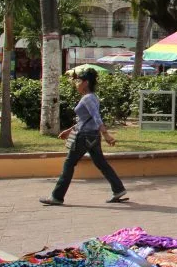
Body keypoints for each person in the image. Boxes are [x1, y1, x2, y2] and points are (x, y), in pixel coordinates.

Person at [40, 69, 127, 205]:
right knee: (101, 164)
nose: (76, 84)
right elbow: (85, 119)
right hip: (92, 136)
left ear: (86, 83)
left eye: (79, 81)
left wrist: (106, 134)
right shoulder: (92, 97)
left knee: (69, 163)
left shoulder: (88, 98)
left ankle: (57, 196)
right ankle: (118, 189)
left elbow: (96, 117)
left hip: (85, 136)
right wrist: (69, 131)